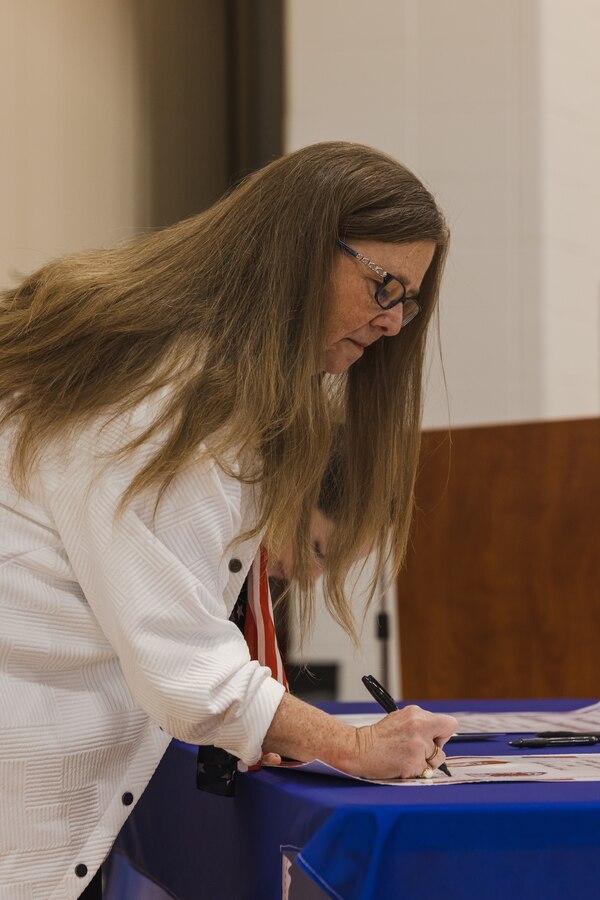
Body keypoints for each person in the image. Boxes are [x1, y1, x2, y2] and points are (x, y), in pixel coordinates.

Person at [0, 141, 457, 897]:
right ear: (302, 248)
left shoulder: (178, 360)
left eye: (408, 301)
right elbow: (189, 672)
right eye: (383, 287)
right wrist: (353, 744)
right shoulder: (174, 386)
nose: (394, 324)